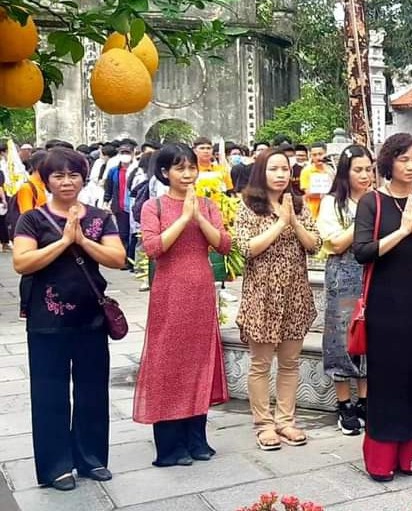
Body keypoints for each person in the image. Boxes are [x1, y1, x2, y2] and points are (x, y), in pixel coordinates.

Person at [13, 148, 125, 491]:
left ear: (83, 178)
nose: (66, 181)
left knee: (92, 390)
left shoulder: (100, 217)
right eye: (58, 175)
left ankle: (91, 458)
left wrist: (82, 241)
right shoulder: (32, 219)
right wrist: (63, 241)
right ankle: (56, 466)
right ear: (46, 180)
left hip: (91, 317)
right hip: (47, 321)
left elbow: (117, 258)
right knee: (50, 392)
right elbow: (22, 262)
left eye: (73, 175)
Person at [353, 133, 412, 482]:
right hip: (384, 305)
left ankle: (407, 454)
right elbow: (362, 251)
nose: (411, 166)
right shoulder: (372, 202)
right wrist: (400, 232)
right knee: (387, 379)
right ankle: (380, 459)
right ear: (389, 162)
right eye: (403, 159)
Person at [133, 144, 232, 467]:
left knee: (199, 360)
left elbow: (224, 244)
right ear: (165, 172)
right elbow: (153, 248)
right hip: (170, 292)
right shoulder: (154, 206)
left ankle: (197, 439)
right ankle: (170, 445)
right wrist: (185, 217)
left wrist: (199, 217)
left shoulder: (208, 204)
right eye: (180, 168)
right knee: (168, 361)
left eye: (191, 167)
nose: (188, 174)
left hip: (201, 290)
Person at [234, 149, 321, 450]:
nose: (281, 174)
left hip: (295, 294)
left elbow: (315, 244)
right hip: (262, 296)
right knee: (260, 363)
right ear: (262, 172)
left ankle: (286, 420)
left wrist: (293, 221)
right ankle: (263, 424)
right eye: (274, 169)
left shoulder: (298, 204)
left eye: (285, 169)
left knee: (290, 362)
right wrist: (280, 224)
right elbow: (247, 248)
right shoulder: (248, 205)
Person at [318, 145, 374, 435]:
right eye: (358, 170)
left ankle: (365, 401)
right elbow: (336, 243)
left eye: (368, 169)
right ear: (345, 172)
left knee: (370, 335)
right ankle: (344, 404)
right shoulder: (332, 203)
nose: (365, 175)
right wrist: (364, 217)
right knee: (341, 337)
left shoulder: (378, 199)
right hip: (343, 275)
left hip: (373, 273)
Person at [103, 144, 136, 268]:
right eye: (123, 153)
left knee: (133, 234)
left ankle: (132, 260)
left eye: (128, 153)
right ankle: (124, 260)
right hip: (120, 207)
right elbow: (109, 188)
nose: (125, 155)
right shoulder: (114, 171)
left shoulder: (136, 170)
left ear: (133, 154)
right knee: (123, 234)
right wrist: (106, 201)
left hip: (133, 207)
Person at [299, 142, 333, 218]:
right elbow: (308, 193)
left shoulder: (331, 170)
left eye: (320, 154)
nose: (318, 157)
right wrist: (326, 194)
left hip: (329, 210)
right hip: (313, 212)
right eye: (314, 155)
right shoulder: (306, 171)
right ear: (310, 156)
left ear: (325, 154)